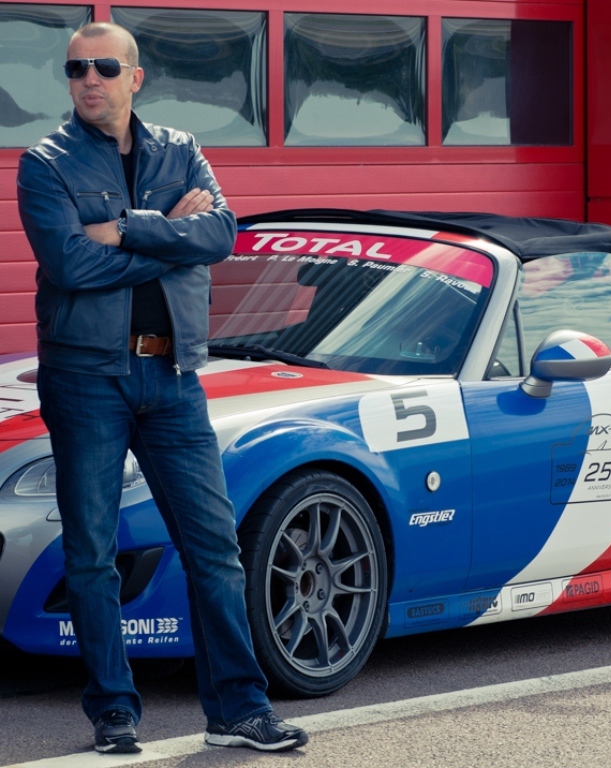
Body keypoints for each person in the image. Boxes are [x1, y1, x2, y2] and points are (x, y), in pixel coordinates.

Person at [16, 22, 308, 755]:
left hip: (173, 376)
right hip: (87, 376)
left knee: (215, 548)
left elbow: (220, 237)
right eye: (77, 67)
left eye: (105, 67)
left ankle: (240, 710)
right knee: (90, 553)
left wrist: (123, 229)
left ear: (134, 78)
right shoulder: (43, 163)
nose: (90, 78)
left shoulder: (180, 150)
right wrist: (163, 239)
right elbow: (72, 267)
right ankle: (114, 713)